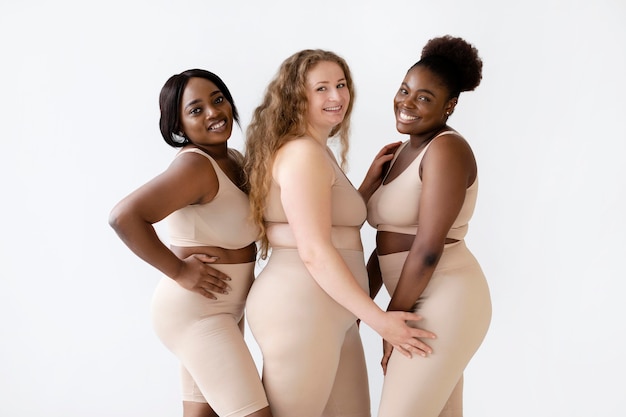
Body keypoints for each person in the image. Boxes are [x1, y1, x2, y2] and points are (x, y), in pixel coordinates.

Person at [243, 49, 436, 417]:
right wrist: (381, 321)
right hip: (301, 307)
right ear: (295, 96)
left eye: (341, 85)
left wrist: (363, 189)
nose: (336, 97)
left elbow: (324, 222)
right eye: (321, 88)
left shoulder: (316, 151)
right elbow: (314, 250)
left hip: (332, 309)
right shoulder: (302, 154)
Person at [108, 69, 272, 417]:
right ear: (178, 126)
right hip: (197, 313)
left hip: (223, 310)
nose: (214, 112)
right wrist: (180, 271)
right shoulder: (195, 167)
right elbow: (124, 217)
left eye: (218, 99)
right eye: (196, 110)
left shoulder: (233, 161)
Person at [360, 35, 493, 417]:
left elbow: (427, 248)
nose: (407, 102)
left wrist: (388, 321)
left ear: (449, 105)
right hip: (412, 301)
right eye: (404, 90)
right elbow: (384, 244)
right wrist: (360, 307)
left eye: (424, 97)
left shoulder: (446, 149)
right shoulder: (399, 151)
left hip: (446, 298)